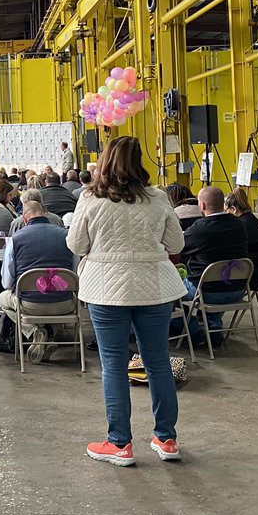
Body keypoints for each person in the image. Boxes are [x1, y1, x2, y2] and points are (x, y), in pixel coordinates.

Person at [66, 135, 185, 466]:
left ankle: (119, 443)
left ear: (105, 160)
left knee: (114, 366)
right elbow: (176, 242)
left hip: (106, 289)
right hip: (154, 287)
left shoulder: (90, 198)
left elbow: (76, 245)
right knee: (157, 361)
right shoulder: (157, 197)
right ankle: (167, 438)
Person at [0, 201, 78, 350]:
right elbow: (75, 272)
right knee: (57, 299)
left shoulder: (15, 239)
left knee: (1, 298)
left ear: (25, 218)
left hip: (29, 304)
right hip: (64, 303)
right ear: (45, 214)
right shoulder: (66, 236)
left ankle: (35, 331)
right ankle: (51, 332)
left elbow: (7, 283)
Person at [180, 186, 250, 335]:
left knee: (172, 291)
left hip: (207, 291)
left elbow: (180, 250)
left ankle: (192, 329)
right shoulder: (240, 225)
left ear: (202, 205)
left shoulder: (200, 229)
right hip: (238, 289)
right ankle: (213, 326)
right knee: (215, 276)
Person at [224, 189, 258, 292]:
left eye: (226, 211)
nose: (225, 214)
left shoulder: (241, 226)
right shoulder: (251, 220)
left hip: (252, 275)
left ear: (233, 209)